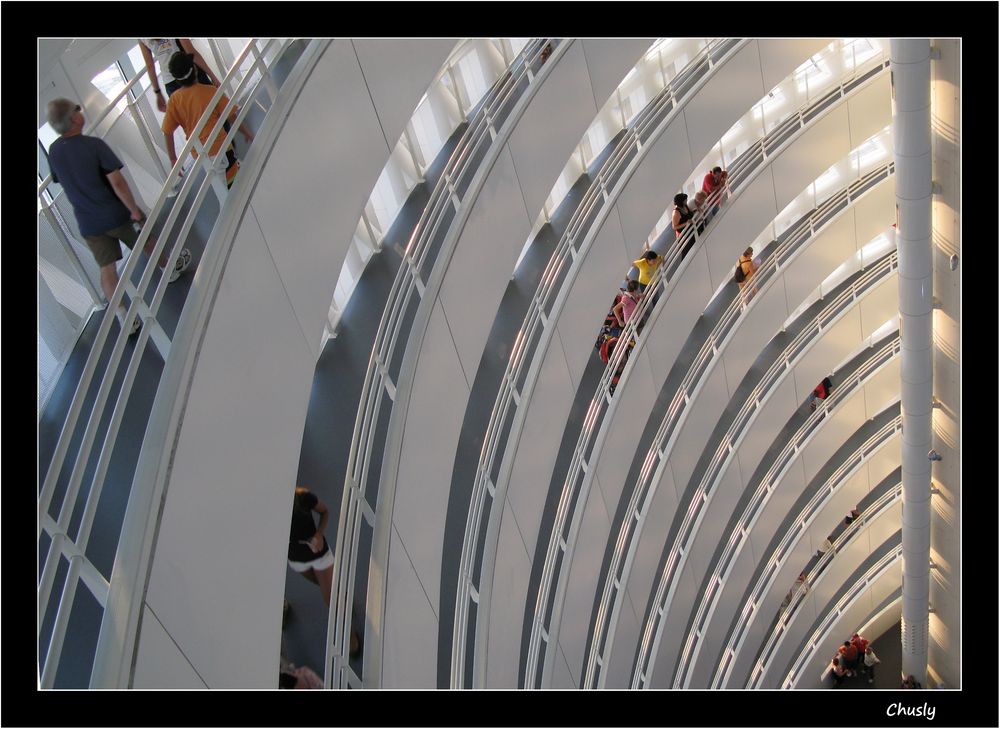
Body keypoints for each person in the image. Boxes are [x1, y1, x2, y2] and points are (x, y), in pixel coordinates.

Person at [45, 98, 191, 336]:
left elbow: (62, 178)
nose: (81, 111)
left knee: (107, 268)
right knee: (146, 240)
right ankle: (169, 268)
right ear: (72, 119)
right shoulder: (94, 146)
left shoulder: (54, 151)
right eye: (77, 110)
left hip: (88, 223)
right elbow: (118, 182)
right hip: (114, 213)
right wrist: (133, 210)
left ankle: (123, 316)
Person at [161, 52, 253, 189]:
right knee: (236, 185)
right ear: (195, 69)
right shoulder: (210, 91)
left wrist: (173, 158)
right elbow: (230, 115)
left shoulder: (174, 101)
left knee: (219, 183)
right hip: (221, 147)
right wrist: (246, 132)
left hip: (201, 156)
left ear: (176, 79)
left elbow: (167, 132)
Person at [139, 38, 222, 113]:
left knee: (191, 120)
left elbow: (150, 66)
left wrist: (158, 92)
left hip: (171, 83)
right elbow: (191, 52)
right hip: (189, 73)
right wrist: (213, 77)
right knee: (215, 107)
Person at [671, 193, 697, 259]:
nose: (687, 200)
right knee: (686, 253)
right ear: (681, 201)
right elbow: (674, 227)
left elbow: (688, 215)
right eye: (685, 200)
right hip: (684, 235)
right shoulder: (676, 212)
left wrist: (695, 210)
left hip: (691, 231)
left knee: (694, 248)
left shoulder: (685, 206)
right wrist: (686, 223)